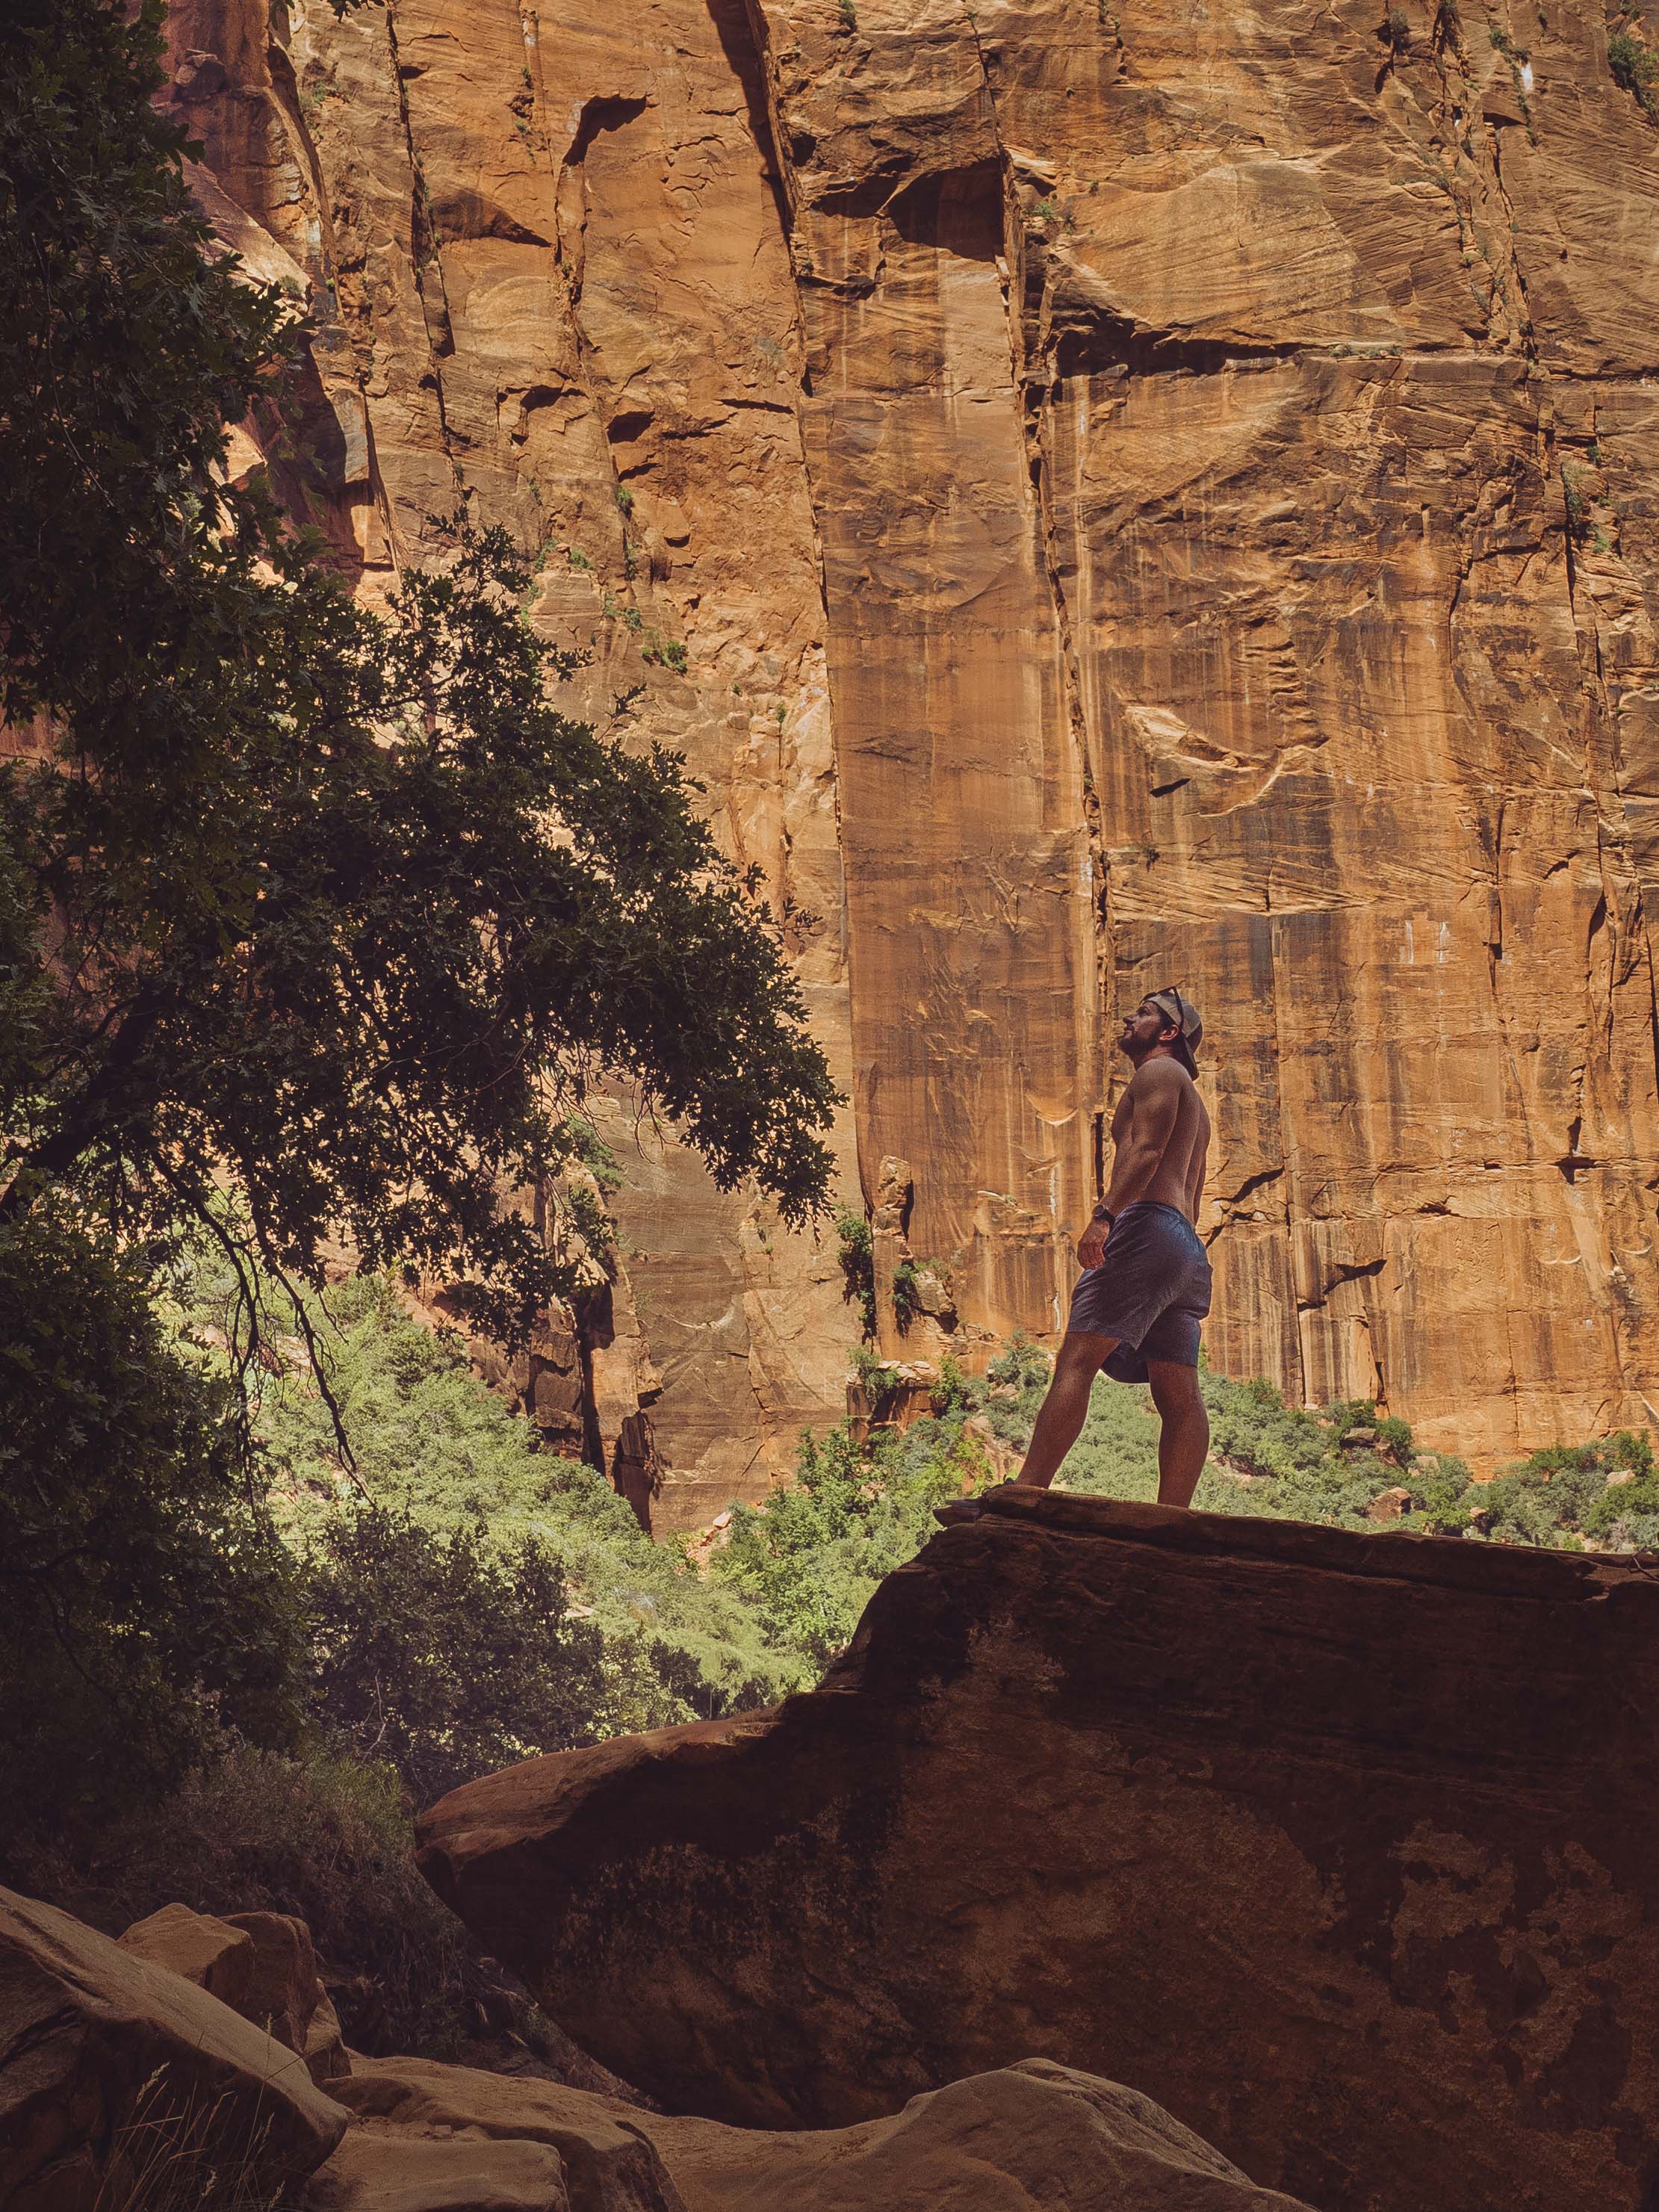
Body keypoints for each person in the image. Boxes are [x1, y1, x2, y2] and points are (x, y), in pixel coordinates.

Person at [941, 986, 1213, 1519]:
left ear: (1169, 1032)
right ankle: (1173, 1519)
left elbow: (1147, 1150)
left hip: (1147, 1227)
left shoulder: (1157, 1073)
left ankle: (1026, 1490)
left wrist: (1106, 1216)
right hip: (1184, 1245)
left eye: (1144, 1012)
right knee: (1177, 1387)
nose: (1130, 1017)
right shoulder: (1196, 1106)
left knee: (1076, 1361)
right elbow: (1192, 1186)